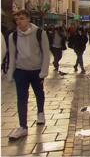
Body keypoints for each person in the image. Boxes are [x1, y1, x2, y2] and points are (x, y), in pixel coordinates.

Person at [7, 10, 50, 140]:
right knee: (21, 98)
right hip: (21, 71)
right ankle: (23, 127)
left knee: (39, 92)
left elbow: (46, 54)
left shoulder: (39, 33)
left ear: (28, 19)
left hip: (36, 70)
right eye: (17, 19)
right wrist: (10, 73)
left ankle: (40, 112)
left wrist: (43, 72)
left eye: (22, 18)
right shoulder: (13, 36)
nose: (19, 21)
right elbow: (12, 56)